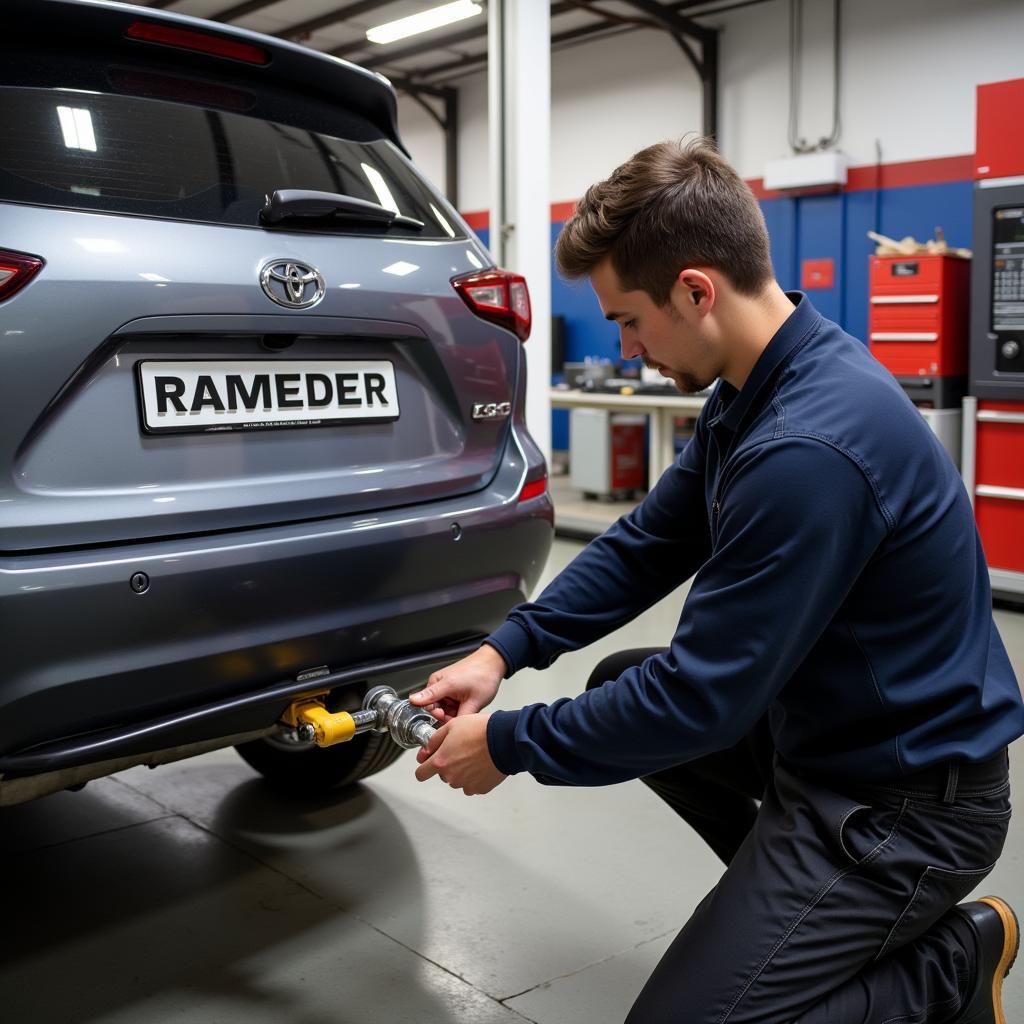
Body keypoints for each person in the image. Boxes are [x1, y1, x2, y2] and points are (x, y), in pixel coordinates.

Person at [408, 137, 1024, 1023]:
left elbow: (700, 701)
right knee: (620, 681)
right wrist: (504, 651)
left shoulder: (809, 449)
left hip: (907, 806)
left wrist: (506, 747)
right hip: (823, 743)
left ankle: (949, 965)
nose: (626, 348)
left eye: (628, 320)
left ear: (697, 290)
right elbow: (649, 542)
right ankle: (793, 916)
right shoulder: (759, 386)